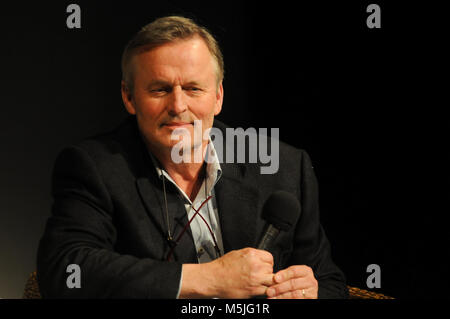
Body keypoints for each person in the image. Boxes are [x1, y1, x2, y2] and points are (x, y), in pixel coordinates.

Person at [37, 16, 348, 299]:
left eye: (193, 88)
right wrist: (208, 279)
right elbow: (66, 270)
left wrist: (311, 292)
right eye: (159, 90)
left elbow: (331, 283)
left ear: (218, 97)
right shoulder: (94, 166)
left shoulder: (283, 166)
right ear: (129, 97)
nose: (178, 105)